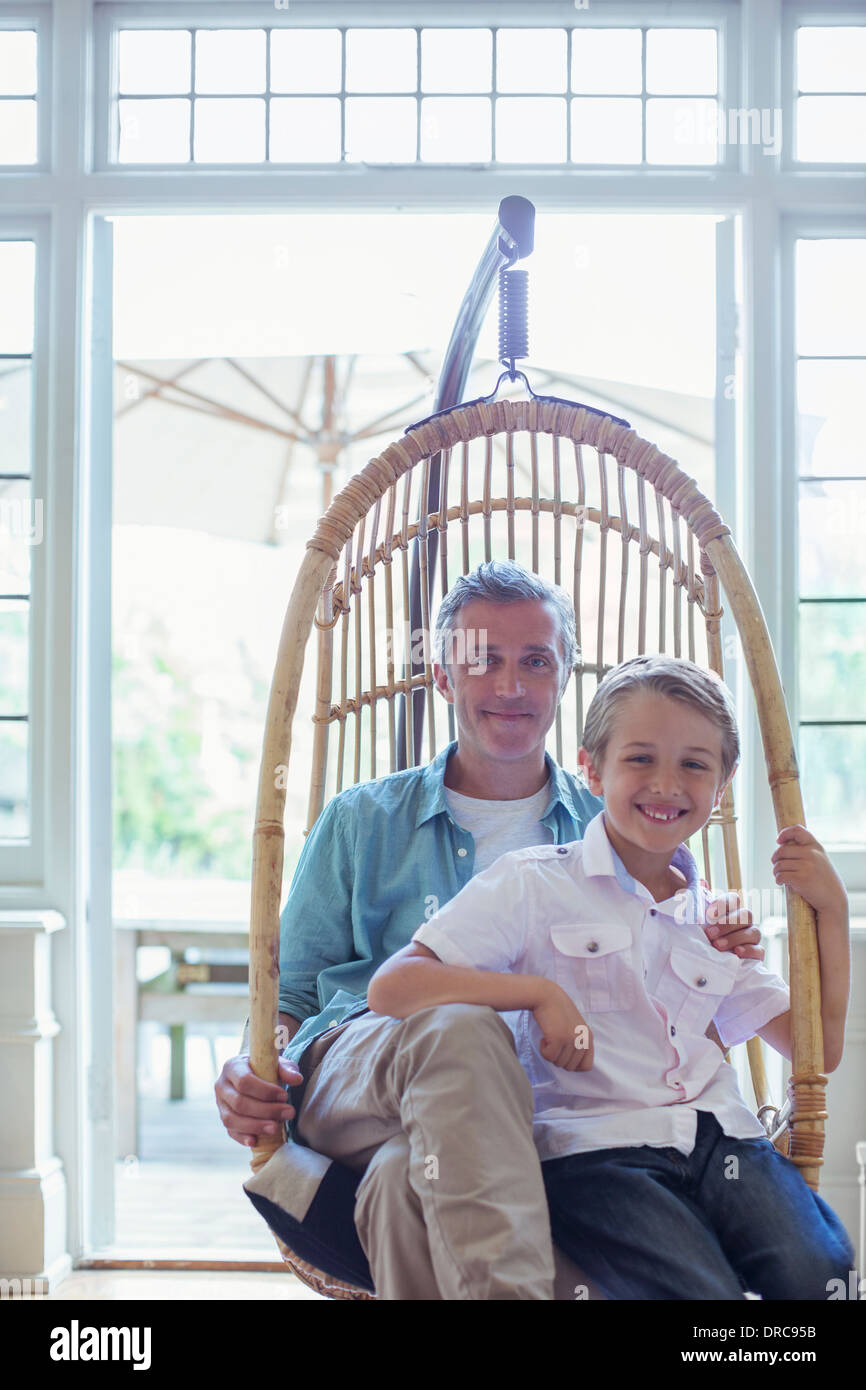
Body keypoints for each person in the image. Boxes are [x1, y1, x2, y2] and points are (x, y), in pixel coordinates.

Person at [215, 565, 764, 1299]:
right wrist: (254, 1060)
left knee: (401, 1184)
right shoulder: (361, 820)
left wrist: (739, 927)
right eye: (483, 661)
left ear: (564, 676)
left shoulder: (625, 827)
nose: (510, 687)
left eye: (535, 661)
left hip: (529, 1118)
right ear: (443, 675)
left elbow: (681, 956)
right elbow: (292, 992)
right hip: (358, 1078)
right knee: (463, 1026)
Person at [368, 654, 855, 1300]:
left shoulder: (716, 918)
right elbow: (394, 987)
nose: (666, 784)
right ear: (591, 769)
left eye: (693, 765)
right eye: (639, 759)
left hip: (723, 1141)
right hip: (599, 1153)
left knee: (826, 1277)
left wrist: (833, 911)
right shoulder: (533, 883)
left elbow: (816, 1048)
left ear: (723, 781)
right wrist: (539, 994)